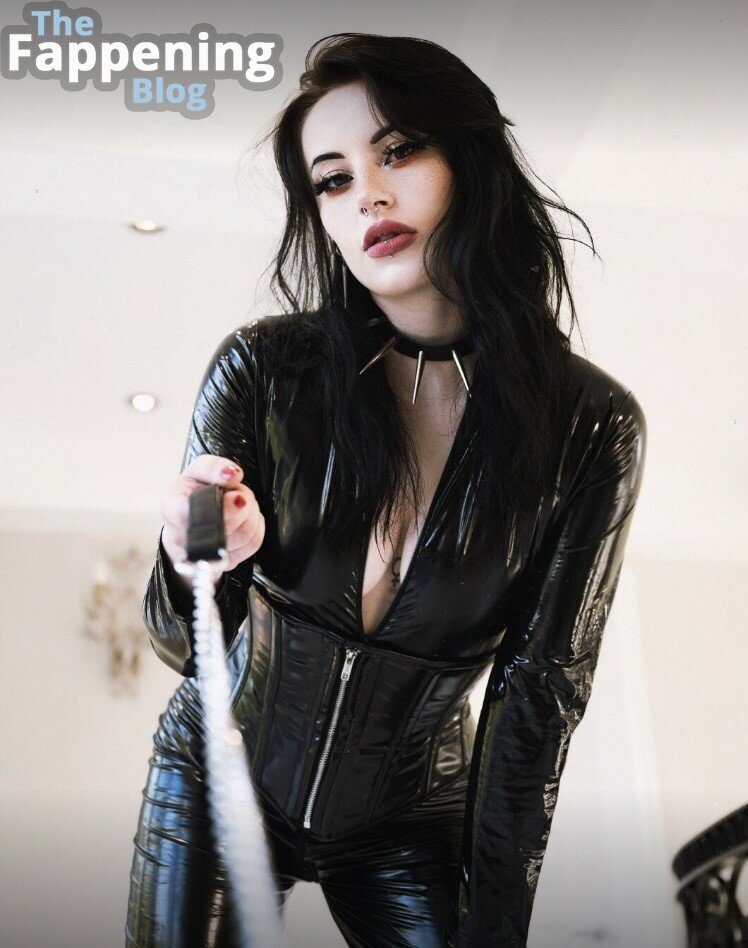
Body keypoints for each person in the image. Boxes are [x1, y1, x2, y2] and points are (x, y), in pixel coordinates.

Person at [126, 33, 647, 948]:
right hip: (218, 776)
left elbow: (540, 697)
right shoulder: (264, 370)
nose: (366, 193)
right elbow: (181, 642)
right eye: (332, 180)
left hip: (411, 819)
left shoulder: (592, 426)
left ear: (470, 160)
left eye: (398, 151)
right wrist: (190, 557)